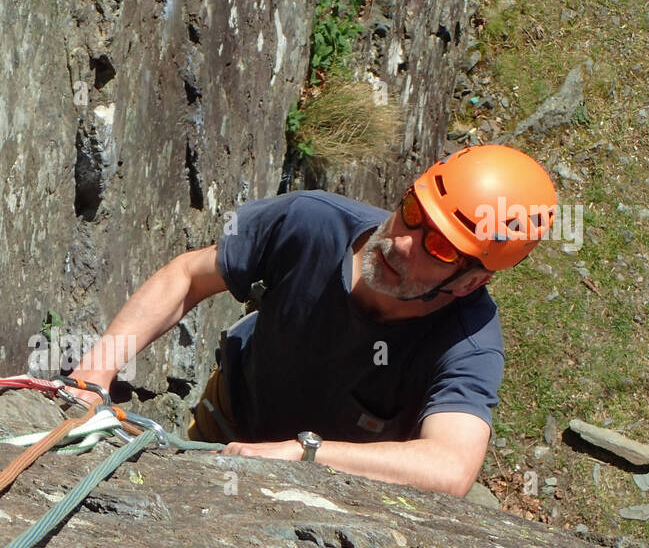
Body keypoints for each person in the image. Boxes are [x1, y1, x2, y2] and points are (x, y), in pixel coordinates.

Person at [68, 144, 557, 497]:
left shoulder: (468, 341)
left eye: (440, 247)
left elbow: (450, 466)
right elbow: (187, 277)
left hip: (336, 479)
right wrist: (94, 375)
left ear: (470, 282)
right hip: (232, 421)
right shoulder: (310, 223)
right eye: (413, 210)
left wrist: (304, 454)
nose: (402, 242)